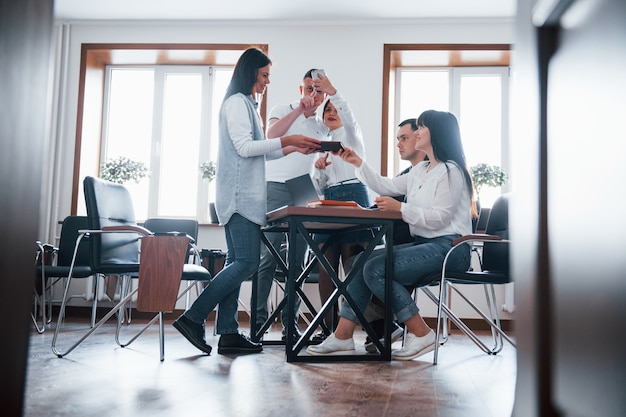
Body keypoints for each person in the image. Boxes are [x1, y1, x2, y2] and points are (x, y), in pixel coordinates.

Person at [172, 48, 321, 356]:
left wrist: (294, 148)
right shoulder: (237, 104)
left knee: (236, 262)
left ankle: (227, 332)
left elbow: (262, 151)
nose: (267, 81)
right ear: (250, 72)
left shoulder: (246, 105)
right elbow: (243, 147)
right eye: (264, 75)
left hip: (241, 195)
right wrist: (290, 139)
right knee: (246, 263)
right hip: (241, 196)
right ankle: (193, 317)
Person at [307, 110, 476, 360]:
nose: (416, 132)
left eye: (421, 128)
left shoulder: (451, 171)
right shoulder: (420, 171)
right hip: (426, 245)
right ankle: (342, 337)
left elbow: (441, 218)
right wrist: (357, 162)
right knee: (364, 263)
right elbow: (385, 186)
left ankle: (421, 333)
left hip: (451, 248)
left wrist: (401, 208)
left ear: (436, 133)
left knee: (376, 269)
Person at [254, 69, 328, 343]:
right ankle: (259, 325)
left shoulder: (324, 122)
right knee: (268, 256)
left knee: (298, 259)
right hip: (274, 183)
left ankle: (290, 326)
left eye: (318, 89)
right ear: (301, 89)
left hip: (304, 187)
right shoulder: (282, 108)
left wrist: (322, 167)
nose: (313, 93)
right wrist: (299, 110)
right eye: (309, 88)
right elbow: (270, 137)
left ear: (325, 92)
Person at [309, 73, 373, 341]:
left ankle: (372, 327)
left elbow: (348, 115)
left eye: (335, 109)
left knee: (354, 264)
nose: (332, 112)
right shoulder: (319, 147)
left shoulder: (351, 134)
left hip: (353, 196)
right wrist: (320, 170)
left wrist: (333, 93)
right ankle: (329, 329)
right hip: (329, 201)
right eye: (328, 110)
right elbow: (319, 187)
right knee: (325, 262)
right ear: (321, 117)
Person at [362, 118, 429, 352]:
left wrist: (398, 208)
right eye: (397, 139)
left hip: (421, 247)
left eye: (404, 138)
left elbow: (435, 216)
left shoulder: (438, 173)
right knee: (357, 260)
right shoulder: (409, 175)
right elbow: (385, 188)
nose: (398, 144)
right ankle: (378, 326)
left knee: (370, 265)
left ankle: (384, 327)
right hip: (402, 244)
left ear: (419, 138)